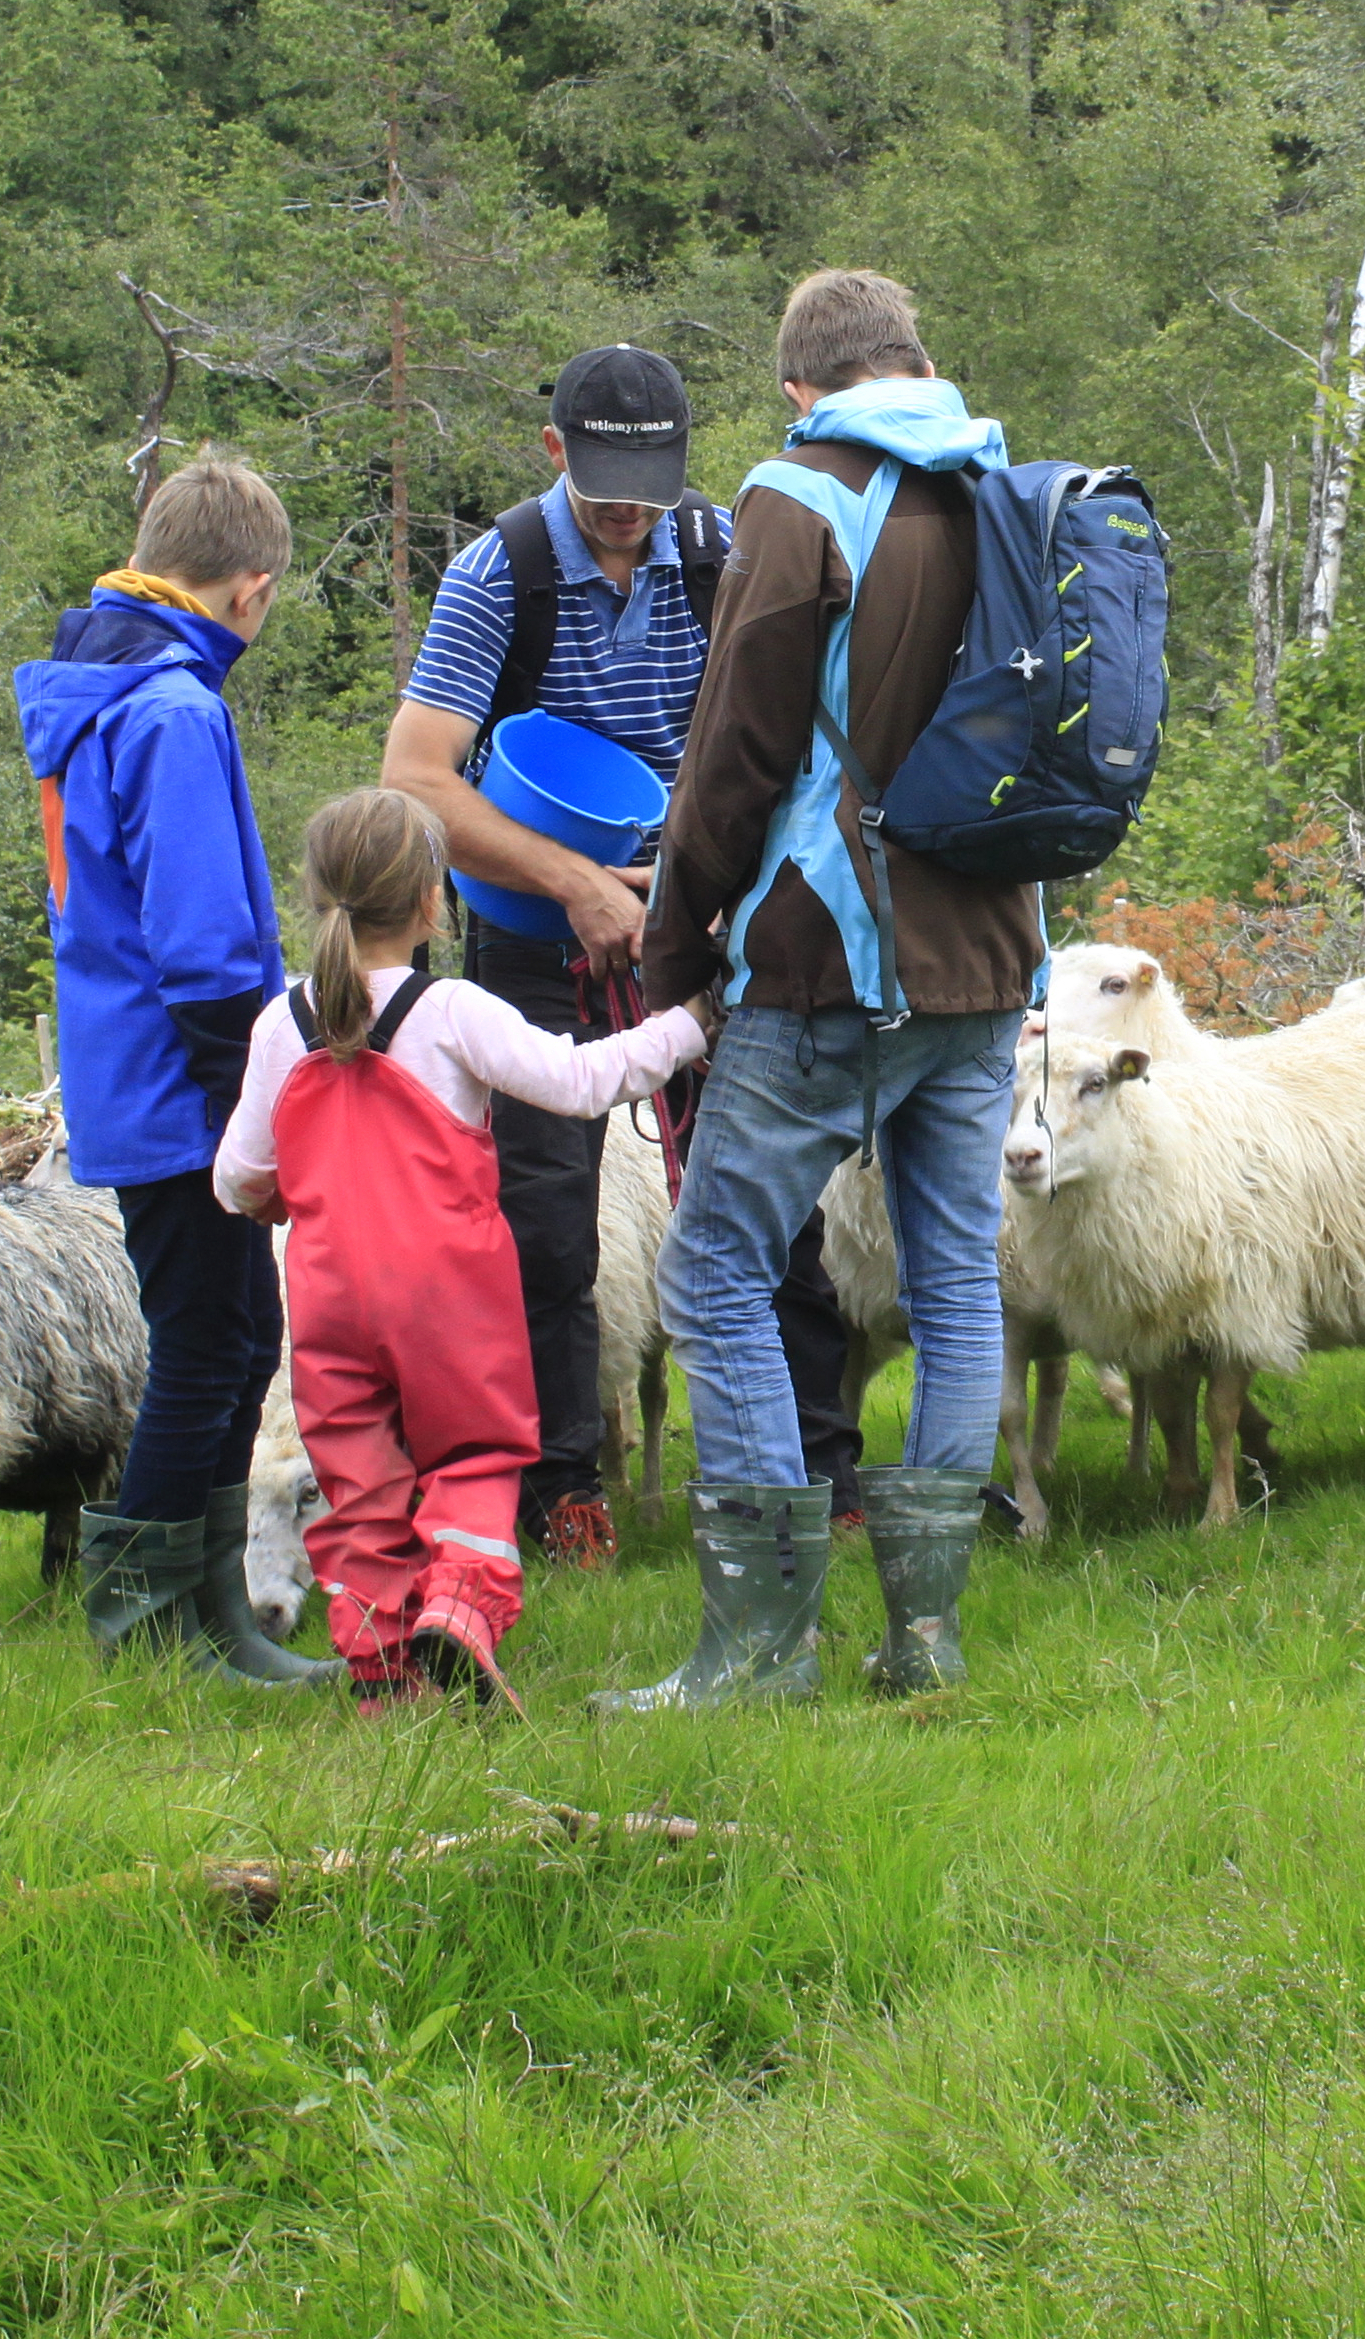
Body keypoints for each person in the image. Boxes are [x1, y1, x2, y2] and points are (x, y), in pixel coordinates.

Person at [601, 270, 1044, 1714]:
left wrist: (673, 948)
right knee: (956, 1276)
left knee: (714, 1264)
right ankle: (924, 1639)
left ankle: (758, 1648)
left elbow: (735, 746)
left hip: (829, 959)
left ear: (802, 387)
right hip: (989, 955)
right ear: (916, 360)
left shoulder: (802, 495)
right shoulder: (1004, 486)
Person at [382, 342, 864, 1570]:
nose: (624, 511)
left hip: (703, 925)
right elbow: (417, 779)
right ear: (555, 453)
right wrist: (580, 885)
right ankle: (562, 1490)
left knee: (773, 1194)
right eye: (601, 483)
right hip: (540, 945)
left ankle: (818, 1471)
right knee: (546, 1218)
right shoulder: (501, 574)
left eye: (645, 486)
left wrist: (704, 886)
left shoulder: (719, 553)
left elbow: (799, 738)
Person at [215, 788, 707, 1709]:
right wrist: (685, 1028)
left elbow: (238, 1177)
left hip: (327, 1305)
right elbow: (580, 1079)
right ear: (434, 902)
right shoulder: (453, 1011)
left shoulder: (281, 1025)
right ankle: (460, 1609)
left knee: (359, 1488)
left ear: (318, 898)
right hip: (451, 1299)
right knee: (474, 1459)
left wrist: (283, 1192)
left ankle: (383, 1677)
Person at [13, 457, 334, 1683]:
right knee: (209, 1351)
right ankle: (147, 1632)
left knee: (242, 1342)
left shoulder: (99, 683)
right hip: (184, 1093)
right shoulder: (173, 711)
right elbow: (203, 944)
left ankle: (214, 1620)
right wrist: (251, 1111)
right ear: (250, 590)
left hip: (128, 1076)